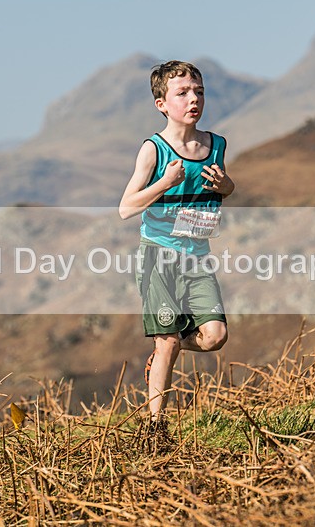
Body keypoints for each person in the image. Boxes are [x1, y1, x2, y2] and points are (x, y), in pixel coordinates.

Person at [119, 61, 235, 429]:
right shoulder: (154, 150)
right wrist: (164, 183)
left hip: (197, 257)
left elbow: (223, 190)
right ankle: (156, 427)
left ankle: (163, 350)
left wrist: (227, 186)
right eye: (182, 93)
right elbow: (126, 208)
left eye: (198, 91)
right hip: (158, 256)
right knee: (166, 341)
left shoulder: (216, 145)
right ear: (162, 104)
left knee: (215, 337)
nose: (193, 99)